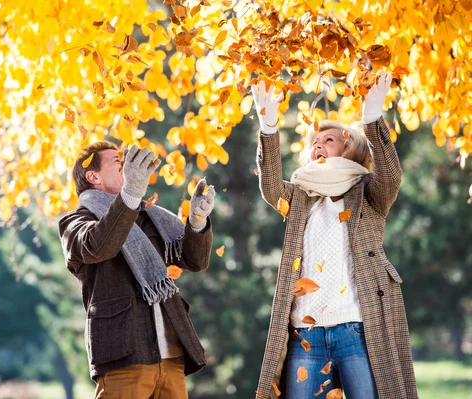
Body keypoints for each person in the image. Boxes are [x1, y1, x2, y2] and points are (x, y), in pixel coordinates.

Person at [251, 72, 418, 399]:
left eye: (328, 139)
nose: (318, 144)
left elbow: (391, 176)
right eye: (314, 142)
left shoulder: (368, 192)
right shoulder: (300, 196)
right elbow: (271, 188)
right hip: (306, 334)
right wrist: (269, 129)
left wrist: (372, 119)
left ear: (350, 147)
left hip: (357, 329)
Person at [58, 142, 216, 399]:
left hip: (172, 357)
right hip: (124, 357)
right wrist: (130, 194)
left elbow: (194, 260)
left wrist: (197, 221)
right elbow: (99, 245)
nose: (129, 168)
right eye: (118, 164)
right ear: (93, 176)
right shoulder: (74, 222)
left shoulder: (149, 217)